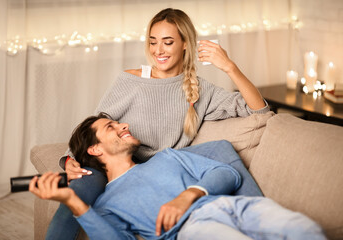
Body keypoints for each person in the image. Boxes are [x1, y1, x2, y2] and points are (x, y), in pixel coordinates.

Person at [49, 7, 270, 239]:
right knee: (75, 197)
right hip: (114, 164)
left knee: (221, 149)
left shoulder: (200, 89)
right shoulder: (132, 79)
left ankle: (261, 218)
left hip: (162, 169)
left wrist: (229, 67)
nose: (158, 50)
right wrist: (69, 159)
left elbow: (260, 111)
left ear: (185, 43)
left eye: (167, 42)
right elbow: (96, 124)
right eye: (153, 42)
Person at [30, 113, 326, 240]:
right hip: (193, 230)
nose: (124, 125)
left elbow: (226, 173)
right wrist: (73, 201)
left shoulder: (168, 157)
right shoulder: (107, 203)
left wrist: (188, 195)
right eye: (111, 127)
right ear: (94, 149)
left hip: (234, 206)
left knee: (304, 229)